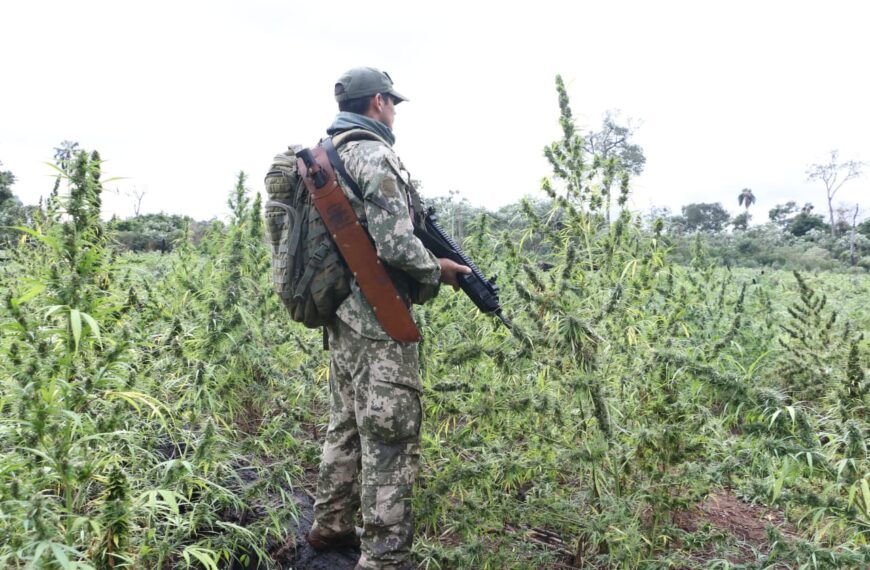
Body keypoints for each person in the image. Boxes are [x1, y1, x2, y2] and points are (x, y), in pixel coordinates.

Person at [304, 67, 470, 570]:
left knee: (347, 422)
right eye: (392, 102)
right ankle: (385, 558)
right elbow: (396, 245)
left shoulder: (322, 155)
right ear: (377, 102)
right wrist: (440, 270)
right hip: (380, 318)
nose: (394, 111)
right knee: (391, 438)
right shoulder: (374, 155)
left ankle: (330, 526)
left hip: (339, 312)